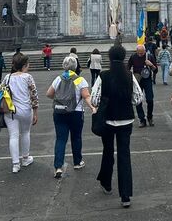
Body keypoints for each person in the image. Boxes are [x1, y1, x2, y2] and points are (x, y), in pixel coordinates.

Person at [92, 45, 143, 208]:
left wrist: (105, 103)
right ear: (124, 57)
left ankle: (107, 183)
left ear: (109, 57)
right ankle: (125, 195)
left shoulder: (103, 75)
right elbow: (138, 98)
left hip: (108, 120)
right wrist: (127, 102)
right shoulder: (129, 75)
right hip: (126, 120)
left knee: (108, 151)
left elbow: (94, 99)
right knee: (124, 156)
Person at [46, 56, 95, 178]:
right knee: (76, 137)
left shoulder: (59, 78)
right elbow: (86, 95)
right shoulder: (79, 80)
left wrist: (60, 100)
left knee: (60, 139)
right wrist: (92, 107)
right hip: (75, 112)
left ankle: (58, 166)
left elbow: (49, 94)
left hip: (59, 112)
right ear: (76, 66)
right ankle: (77, 162)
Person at [4, 54, 40, 173]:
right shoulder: (28, 77)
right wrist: (35, 112)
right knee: (25, 132)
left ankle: (15, 164)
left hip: (10, 110)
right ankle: (25, 158)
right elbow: (34, 95)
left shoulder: (8, 77)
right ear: (24, 65)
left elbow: (0, 91)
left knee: (13, 135)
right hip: (25, 109)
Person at [127, 44, 157, 127]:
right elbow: (128, 68)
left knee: (150, 99)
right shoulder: (133, 57)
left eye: (142, 53)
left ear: (145, 51)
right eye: (139, 53)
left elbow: (156, 70)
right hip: (137, 81)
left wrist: (151, 64)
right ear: (136, 51)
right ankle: (142, 119)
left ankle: (150, 117)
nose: (140, 54)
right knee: (138, 101)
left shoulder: (149, 56)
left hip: (147, 80)